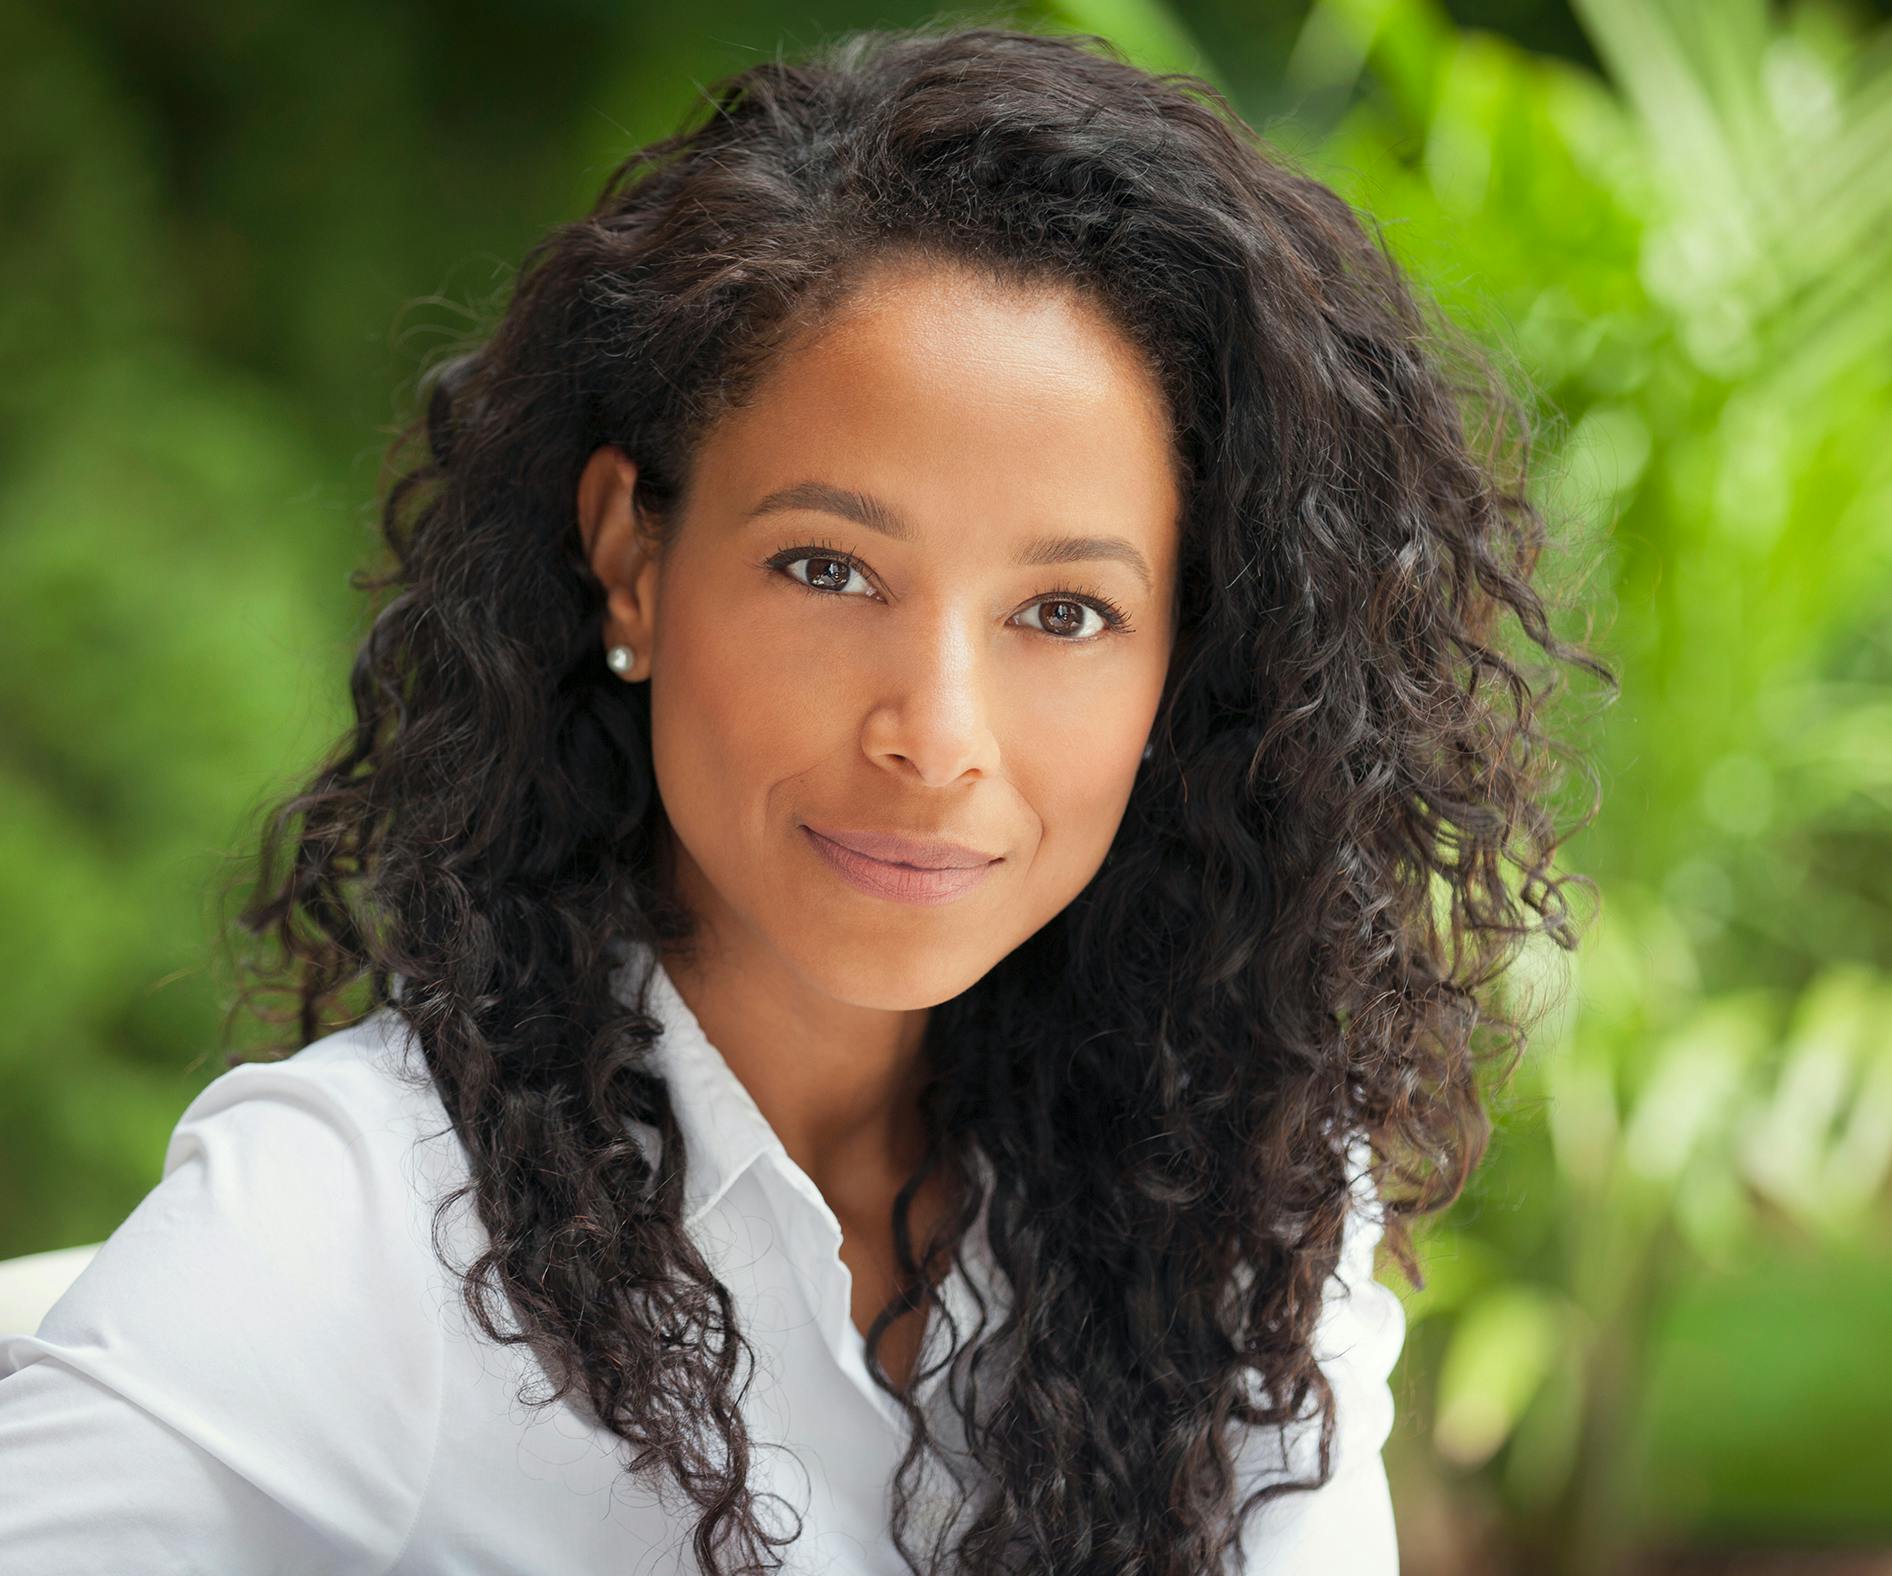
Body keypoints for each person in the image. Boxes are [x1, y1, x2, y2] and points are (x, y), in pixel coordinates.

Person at [0, 21, 1610, 1575]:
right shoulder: (356, 1224)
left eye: (1065, 612)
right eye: (828, 569)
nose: (938, 734)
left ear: (1189, 663)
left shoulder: (1241, 1189)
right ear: (635, 560)